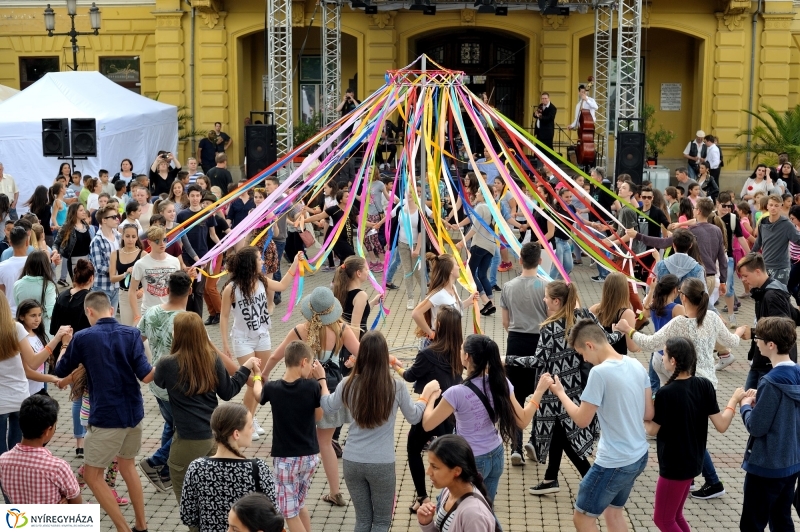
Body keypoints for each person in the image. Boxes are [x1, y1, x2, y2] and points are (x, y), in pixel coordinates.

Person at [617, 277, 748, 501]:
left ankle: (707, 480)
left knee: (687, 436)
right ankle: (704, 479)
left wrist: (628, 329)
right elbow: (732, 343)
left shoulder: (680, 323)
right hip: (708, 386)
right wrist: (740, 331)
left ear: (683, 297)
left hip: (688, 385)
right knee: (693, 434)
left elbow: (650, 343)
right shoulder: (713, 318)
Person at [54, 291, 153, 532]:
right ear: (110, 309)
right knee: (128, 466)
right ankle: (141, 525)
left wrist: (65, 344)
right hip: (134, 413)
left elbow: (60, 370)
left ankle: (123, 528)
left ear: (89, 311)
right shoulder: (132, 334)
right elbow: (146, 375)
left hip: (107, 416)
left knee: (91, 475)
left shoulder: (84, 337)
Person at [550, 318, 653, 532]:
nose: (585, 360)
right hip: (638, 455)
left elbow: (581, 420)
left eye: (582, 354)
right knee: (613, 513)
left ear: (589, 345)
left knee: (583, 519)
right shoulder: (636, 365)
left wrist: (560, 393)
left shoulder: (600, 373)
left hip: (613, 462)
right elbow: (648, 413)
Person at [320, 331, 428, 532]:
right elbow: (414, 417)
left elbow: (327, 406)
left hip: (352, 461)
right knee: (380, 522)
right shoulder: (396, 386)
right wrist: (425, 398)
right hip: (382, 464)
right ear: (383, 356)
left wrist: (322, 381)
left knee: (362, 520)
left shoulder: (347, 383)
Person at [525, 281, 626, 496]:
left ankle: (591, 482)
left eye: (546, 297)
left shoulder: (549, 328)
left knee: (563, 436)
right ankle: (551, 478)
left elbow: (537, 361)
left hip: (555, 390)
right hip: (577, 387)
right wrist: (619, 333)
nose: (544, 300)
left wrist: (508, 359)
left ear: (556, 301)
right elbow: (605, 340)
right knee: (560, 434)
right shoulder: (582, 317)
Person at [264, 286, 360, 508]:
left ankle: (293, 482)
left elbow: (276, 355)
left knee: (299, 431)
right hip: (332, 386)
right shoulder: (342, 329)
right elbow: (363, 354)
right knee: (325, 441)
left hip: (303, 388)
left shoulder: (300, 331)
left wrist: (264, 376)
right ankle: (335, 492)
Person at [422, 334, 545, 502]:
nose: (459, 351)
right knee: (485, 511)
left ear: (467, 356)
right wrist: (538, 393)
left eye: (461, 348)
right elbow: (522, 421)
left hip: (472, 461)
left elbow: (428, 424)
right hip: (496, 455)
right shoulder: (501, 382)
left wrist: (428, 397)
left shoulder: (456, 393)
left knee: (455, 508)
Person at [153, 312, 258, 502]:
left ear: (177, 334)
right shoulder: (212, 359)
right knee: (216, 497)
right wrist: (245, 368)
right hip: (213, 437)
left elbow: (158, 383)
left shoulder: (166, 363)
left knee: (190, 502)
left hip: (185, 440)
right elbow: (228, 391)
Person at [644, 337, 746, 532]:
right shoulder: (704, 385)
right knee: (675, 516)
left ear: (673, 361)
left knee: (663, 520)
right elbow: (722, 425)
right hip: (694, 462)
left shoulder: (666, 393)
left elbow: (651, 430)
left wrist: (642, 413)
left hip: (674, 466)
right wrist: (733, 400)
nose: (662, 357)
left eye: (664, 354)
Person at [219, 246, 299, 436]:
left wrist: (295, 264)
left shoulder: (261, 280)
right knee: (251, 381)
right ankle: (245, 422)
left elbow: (281, 286)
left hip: (262, 336)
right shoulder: (231, 288)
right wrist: (224, 343)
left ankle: (251, 419)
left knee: (261, 379)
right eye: (259, 259)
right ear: (250, 263)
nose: (262, 261)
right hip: (242, 339)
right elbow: (223, 316)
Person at [393, 306, 464, 512]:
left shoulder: (428, 353)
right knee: (446, 457)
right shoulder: (460, 351)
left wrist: (395, 364)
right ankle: (451, 496)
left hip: (429, 410)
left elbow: (409, 376)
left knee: (413, 449)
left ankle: (423, 498)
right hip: (449, 412)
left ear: (439, 325)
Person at [738, 316, 800, 532]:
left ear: (771, 345)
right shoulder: (797, 374)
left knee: (752, 524)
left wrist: (745, 405)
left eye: (758, 338)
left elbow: (757, 426)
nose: (756, 341)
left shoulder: (770, 381)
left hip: (766, 466)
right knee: (781, 520)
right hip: (791, 462)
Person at [180, 403, 277, 532]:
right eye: (250, 426)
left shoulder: (196, 468)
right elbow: (273, 514)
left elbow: (188, 516)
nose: (253, 430)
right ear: (236, 434)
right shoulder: (258, 469)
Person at [136, 271, 191, 494]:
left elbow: (137, 341)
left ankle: (166, 472)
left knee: (171, 424)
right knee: (185, 430)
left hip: (156, 382)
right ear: (189, 291)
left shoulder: (151, 312)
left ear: (167, 289)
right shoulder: (186, 319)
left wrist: (143, 368)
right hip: (178, 385)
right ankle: (155, 462)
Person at [259, 341, 322, 532]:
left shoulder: (273, 388)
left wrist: (256, 377)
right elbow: (319, 417)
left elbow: (257, 396)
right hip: (310, 457)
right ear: (303, 362)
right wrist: (320, 380)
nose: (312, 368)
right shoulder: (312, 386)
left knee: (289, 513)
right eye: (311, 364)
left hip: (286, 460)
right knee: (299, 504)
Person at [496, 242, 548, 464]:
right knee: (538, 394)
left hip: (515, 343)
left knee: (515, 395)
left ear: (519, 261)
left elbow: (505, 322)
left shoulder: (508, 287)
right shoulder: (546, 287)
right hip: (539, 343)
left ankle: (516, 447)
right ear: (540, 261)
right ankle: (534, 442)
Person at [0, 395, 82, 504]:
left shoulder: (3, 461)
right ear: (48, 430)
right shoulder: (58, 467)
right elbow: (77, 504)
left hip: (19, 518)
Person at [49, 258, 94, 458]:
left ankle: (80, 442)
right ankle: (85, 439)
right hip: (85, 355)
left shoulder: (62, 296)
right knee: (84, 398)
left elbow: (53, 329)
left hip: (64, 353)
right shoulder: (90, 299)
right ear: (91, 278)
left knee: (77, 398)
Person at [735, 253, 799, 391]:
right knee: (749, 401)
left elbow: (782, 327)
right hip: (764, 359)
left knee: (753, 404)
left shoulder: (772, 295)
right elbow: (793, 316)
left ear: (757, 271)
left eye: (746, 276)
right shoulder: (767, 291)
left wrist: (752, 333)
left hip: (771, 362)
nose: (743, 280)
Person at [416, 435, 500, 532]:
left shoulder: (473, 515)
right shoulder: (448, 491)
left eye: (435, 467)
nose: (428, 472)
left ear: (457, 471)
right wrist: (427, 524)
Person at [177, 185, 219, 317]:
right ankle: (188, 318)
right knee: (188, 289)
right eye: (192, 196)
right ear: (188, 197)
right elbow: (179, 238)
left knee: (199, 291)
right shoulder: (182, 215)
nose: (195, 198)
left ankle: (198, 319)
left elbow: (212, 234)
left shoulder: (207, 214)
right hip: (187, 257)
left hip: (203, 257)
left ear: (201, 197)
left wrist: (222, 247)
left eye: (197, 195)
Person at [128, 224, 181, 325]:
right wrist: (136, 315)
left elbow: (178, 288)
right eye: (157, 241)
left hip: (170, 312)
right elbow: (132, 290)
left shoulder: (174, 261)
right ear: (149, 242)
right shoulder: (140, 264)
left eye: (164, 240)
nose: (162, 243)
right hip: (149, 312)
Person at [752, 194, 800, 288]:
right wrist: (749, 256)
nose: (773, 208)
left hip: (781, 268)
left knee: (779, 297)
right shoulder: (762, 222)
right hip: (765, 266)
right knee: (764, 296)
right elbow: (758, 242)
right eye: (771, 205)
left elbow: (798, 240)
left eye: (776, 205)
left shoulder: (787, 225)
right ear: (767, 206)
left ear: (781, 207)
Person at [588, 272, 637, 355]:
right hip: (616, 361)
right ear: (625, 290)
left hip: (597, 359)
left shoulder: (594, 309)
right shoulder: (627, 314)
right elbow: (632, 347)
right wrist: (640, 345)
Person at [13, 251, 57, 333]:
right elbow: (52, 313)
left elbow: (19, 306)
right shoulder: (48, 285)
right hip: (45, 331)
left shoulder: (17, 284)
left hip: (24, 331)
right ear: (45, 266)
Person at [110, 224, 145, 326]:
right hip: (124, 295)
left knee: (138, 327)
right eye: (127, 236)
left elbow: (148, 278)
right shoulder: (115, 254)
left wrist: (142, 290)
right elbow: (112, 278)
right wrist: (125, 274)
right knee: (126, 326)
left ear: (137, 237)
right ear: (122, 236)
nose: (130, 239)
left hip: (138, 295)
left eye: (133, 237)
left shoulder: (143, 254)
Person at [88, 204, 121, 312]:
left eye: (117, 216)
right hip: (102, 287)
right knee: (102, 321)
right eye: (113, 217)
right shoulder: (97, 241)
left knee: (112, 320)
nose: (117, 219)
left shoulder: (118, 236)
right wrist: (120, 267)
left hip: (116, 286)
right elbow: (99, 267)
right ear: (104, 220)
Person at [54, 203, 95, 286]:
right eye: (81, 210)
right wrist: (55, 251)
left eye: (84, 210)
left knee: (88, 286)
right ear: (74, 212)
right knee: (77, 286)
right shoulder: (67, 227)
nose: (84, 212)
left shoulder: (86, 225)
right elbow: (56, 243)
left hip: (87, 260)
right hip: (74, 262)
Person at [0, 227, 32, 315]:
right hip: (32, 314)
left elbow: (2, 295)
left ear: (10, 243)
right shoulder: (35, 264)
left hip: (10, 314)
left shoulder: (2, 267)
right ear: (27, 242)